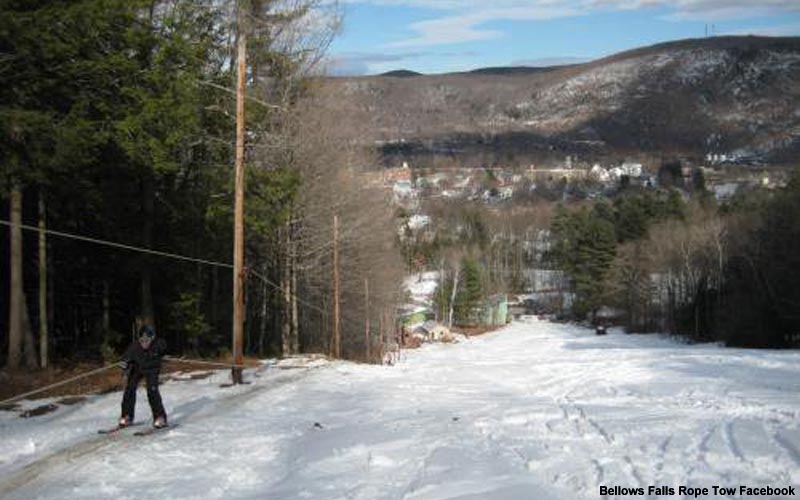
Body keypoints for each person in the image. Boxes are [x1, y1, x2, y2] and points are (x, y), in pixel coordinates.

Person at [118, 325, 168, 428]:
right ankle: (127, 416)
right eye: (142, 340)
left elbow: (164, 347)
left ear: (152, 338)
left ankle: (160, 417)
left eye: (147, 340)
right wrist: (124, 362)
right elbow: (126, 356)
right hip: (138, 368)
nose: (144, 343)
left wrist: (161, 354)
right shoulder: (135, 346)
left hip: (152, 369)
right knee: (129, 389)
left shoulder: (158, 344)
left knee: (152, 391)